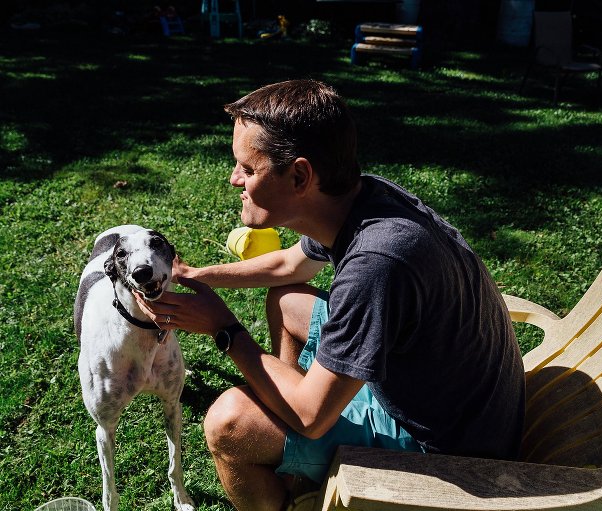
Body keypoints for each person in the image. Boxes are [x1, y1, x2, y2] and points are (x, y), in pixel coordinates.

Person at [136, 79, 526, 511]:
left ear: (300, 175)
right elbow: (289, 266)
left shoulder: (377, 263)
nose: (234, 180)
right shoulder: (362, 201)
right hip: (460, 403)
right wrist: (199, 274)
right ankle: (292, 457)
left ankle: (281, 462)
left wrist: (223, 328)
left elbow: (312, 416)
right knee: (287, 302)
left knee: (230, 422)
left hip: (447, 451)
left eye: (248, 169)